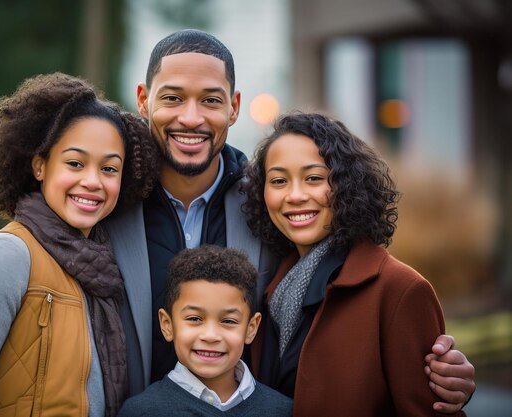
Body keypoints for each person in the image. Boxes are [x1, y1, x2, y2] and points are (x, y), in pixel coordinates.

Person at [103, 29, 475, 413]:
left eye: (210, 100)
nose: (192, 117)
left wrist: (441, 375)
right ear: (144, 101)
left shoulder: (263, 208)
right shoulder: (105, 203)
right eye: (173, 98)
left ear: (233, 107)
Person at [0, 72, 159, 417]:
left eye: (109, 169)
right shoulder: (7, 259)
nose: (93, 182)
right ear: (40, 166)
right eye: (75, 163)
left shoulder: (104, 271)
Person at [241, 111, 470, 416]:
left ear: (347, 185)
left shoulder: (400, 290)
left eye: (314, 178)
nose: (295, 195)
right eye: (279, 180)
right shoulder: (269, 287)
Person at [117, 245, 292, 417]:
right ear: (167, 325)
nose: (210, 336)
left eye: (228, 321)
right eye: (194, 319)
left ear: (250, 328)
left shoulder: (283, 410)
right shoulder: (141, 411)